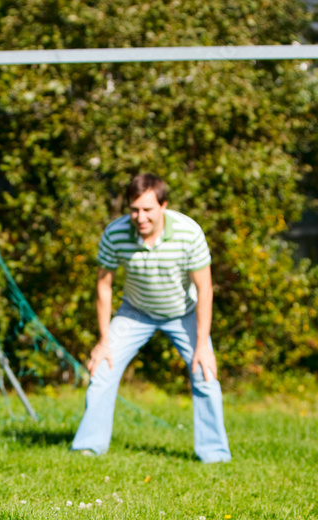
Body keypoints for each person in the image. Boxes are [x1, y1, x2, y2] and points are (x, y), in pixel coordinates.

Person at [71, 174, 231, 463]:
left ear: (163, 206)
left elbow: (205, 288)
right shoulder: (115, 233)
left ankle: (214, 454)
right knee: (102, 368)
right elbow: (103, 285)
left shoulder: (188, 232)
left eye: (147, 210)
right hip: (135, 312)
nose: (140, 217)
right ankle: (89, 447)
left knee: (204, 372)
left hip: (184, 313)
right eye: (134, 209)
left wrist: (202, 345)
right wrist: (104, 340)